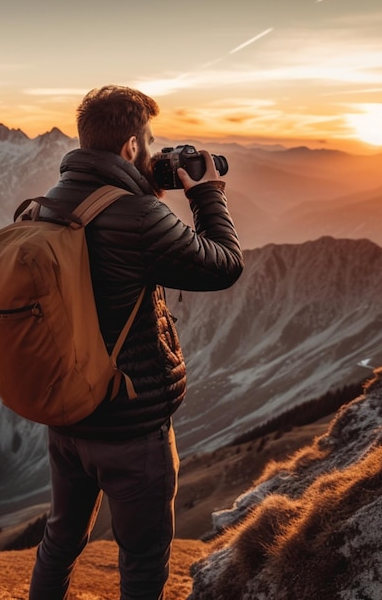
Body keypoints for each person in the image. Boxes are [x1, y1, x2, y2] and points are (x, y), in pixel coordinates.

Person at [28, 85, 243, 600]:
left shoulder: (50, 204)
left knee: (59, 539)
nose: (156, 153)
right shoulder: (140, 217)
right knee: (143, 559)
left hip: (67, 416)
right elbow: (224, 265)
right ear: (129, 147)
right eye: (150, 141)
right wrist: (205, 192)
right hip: (131, 425)